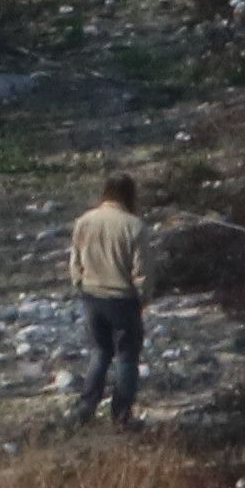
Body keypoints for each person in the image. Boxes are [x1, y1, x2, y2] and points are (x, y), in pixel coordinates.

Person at [64, 169, 154, 425]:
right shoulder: (135, 227)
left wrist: (80, 283)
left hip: (92, 297)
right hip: (123, 299)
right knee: (126, 357)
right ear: (130, 195)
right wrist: (143, 298)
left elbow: (75, 261)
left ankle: (85, 408)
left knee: (99, 352)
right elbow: (142, 271)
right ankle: (121, 415)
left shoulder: (84, 221)